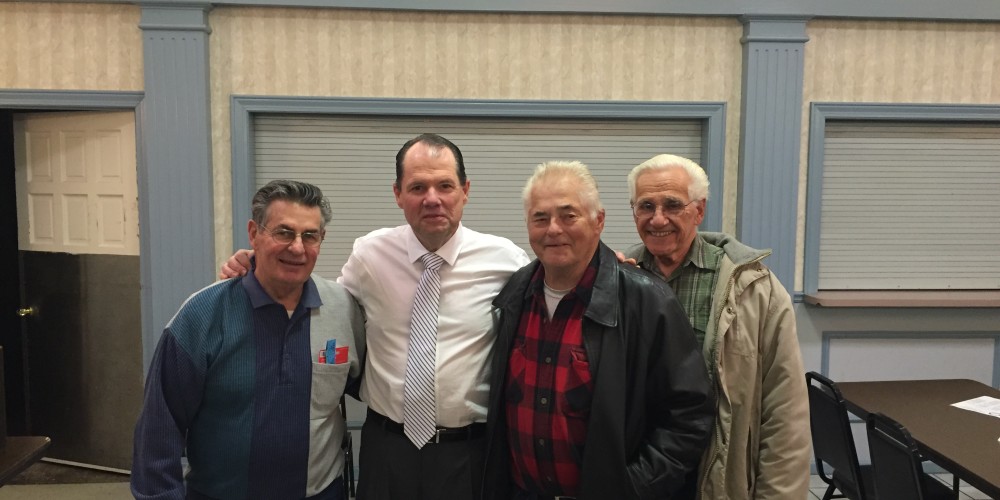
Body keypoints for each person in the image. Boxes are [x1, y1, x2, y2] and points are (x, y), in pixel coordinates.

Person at [220, 134, 531, 499]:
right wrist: (257, 264)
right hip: (387, 448)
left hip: (469, 453)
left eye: (445, 185)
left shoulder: (506, 261)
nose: (432, 198)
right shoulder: (370, 254)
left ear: (465, 190)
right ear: (398, 194)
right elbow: (319, 303)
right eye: (417, 187)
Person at [482, 161, 715, 500]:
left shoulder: (647, 301)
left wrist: (631, 488)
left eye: (569, 216)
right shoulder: (515, 296)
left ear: (598, 221)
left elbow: (688, 416)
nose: (553, 229)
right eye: (540, 218)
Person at [132, 180, 366, 500]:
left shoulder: (343, 309)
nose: (298, 248)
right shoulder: (202, 315)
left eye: (310, 235)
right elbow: (159, 429)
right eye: (284, 232)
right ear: (254, 233)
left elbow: (371, 386)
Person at [624, 154, 810, 499]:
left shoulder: (755, 290)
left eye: (672, 205)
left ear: (699, 210)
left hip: (716, 477)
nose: (658, 218)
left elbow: (785, 411)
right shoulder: (618, 280)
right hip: (638, 476)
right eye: (646, 206)